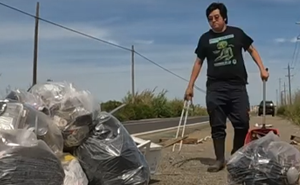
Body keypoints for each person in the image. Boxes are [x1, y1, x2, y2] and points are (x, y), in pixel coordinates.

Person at [184, 2, 269, 173]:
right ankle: (219, 160)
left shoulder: (237, 33)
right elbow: (198, 62)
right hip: (215, 87)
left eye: (216, 17)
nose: (213, 21)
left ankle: (236, 153)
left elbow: (252, 50)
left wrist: (261, 68)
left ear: (224, 17)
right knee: (217, 125)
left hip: (237, 87)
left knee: (243, 123)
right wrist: (190, 85)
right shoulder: (205, 39)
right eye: (210, 19)